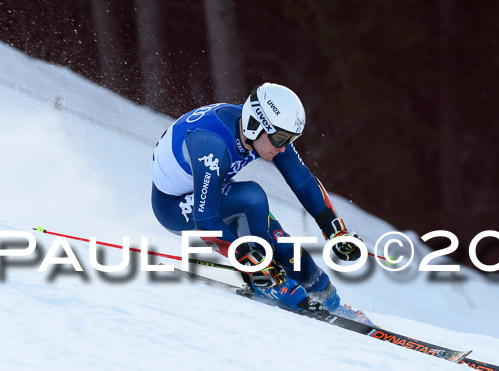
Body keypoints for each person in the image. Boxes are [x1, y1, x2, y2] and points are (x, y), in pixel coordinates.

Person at [151, 83, 361, 311]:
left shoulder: (263, 131)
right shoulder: (211, 145)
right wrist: (255, 264)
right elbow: (206, 222)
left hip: (209, 188)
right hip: (173, 205)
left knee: (281, 241)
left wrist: (335, 230)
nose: (284, 148)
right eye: (281, 138)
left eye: (290, 139)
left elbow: (304, 182)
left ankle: (327, 297)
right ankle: (263, 281)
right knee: (252, 197)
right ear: (254, 125)